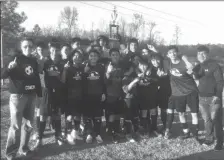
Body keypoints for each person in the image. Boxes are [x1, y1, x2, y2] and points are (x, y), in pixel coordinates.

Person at [1, 37, 42, 160]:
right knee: (16, 126)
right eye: (25, 46)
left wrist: (39, 95)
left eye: (30, 46)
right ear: (21, 47)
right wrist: (9, 68)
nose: (28, 48)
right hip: (18, 97)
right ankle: (11, 153)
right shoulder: (15, 58)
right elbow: (2, 75)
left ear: (33, 47)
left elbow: (36, 78)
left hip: (31, 96)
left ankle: (24, 148)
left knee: (28, 124)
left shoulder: (34, 61)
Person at [164, 45, 200, 142]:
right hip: (178, 93)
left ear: (177, 53)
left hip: (191, 91)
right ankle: (186, 132)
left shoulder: (185, 62)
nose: (172, 54)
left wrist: (191, 69)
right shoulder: (167, 63)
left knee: (194, 114)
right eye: (170, 52)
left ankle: (196, 134)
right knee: (181, 113)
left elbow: (195, 75)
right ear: (168, 55)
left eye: (174, 52)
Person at [193, 45, 223, 151]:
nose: (201, 55)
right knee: (207, 120)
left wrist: (217, 95)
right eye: (199, 53)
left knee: (216, 120)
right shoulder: (197, 66)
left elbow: (220, 82)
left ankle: (220, 142)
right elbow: (195, 76)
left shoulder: (214, 65)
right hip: (202, 98)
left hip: (214, 98)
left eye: (203, 53)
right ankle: (209, 138)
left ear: (208, 54)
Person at [43, 42, 65, 146]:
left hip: (59, 91)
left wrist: (57, 75)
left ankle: (58, 134)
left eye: (56, 50)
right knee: (44, 113)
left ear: (59, 51)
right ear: (49, 51)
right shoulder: (45, 62)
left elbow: (63, 79)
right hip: (47, 91)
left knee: (57, 113)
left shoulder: (62, 64)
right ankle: (39, 135)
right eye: (52, 50)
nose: (54, 52)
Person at [62, 49, 85, 145]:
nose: (77, 58)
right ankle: (68, 135)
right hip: (69, 96)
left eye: (79, 56)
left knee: (78, 116)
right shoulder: (68, 68)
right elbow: (63, 81)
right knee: (69, 117)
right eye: (75, 56)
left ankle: (75, 133)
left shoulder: (82, 68)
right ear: (72, 57)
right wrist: (64, 70)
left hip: (80, 96)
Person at [83, 49, 106, 144]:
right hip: (87, 95)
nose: (93, 57)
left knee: (97, 115)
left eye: (95, 56)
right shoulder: (85, 66)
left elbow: (103, 81)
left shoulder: (101, 67)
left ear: (98, 57)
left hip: (98, 94)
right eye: (91, 55)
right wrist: (84, 72)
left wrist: (104, 93)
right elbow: (81, 82)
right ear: (88, 57)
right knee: (88, 115)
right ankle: (89, 133)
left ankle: (97, 133)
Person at [105, 48, 125, 143]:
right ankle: (111, 131)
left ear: (119, 56)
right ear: (110, 56)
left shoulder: (122, 66)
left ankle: (116, 130)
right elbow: (105, 81)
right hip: (110, 93)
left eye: (116, 54)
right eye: (113, 54)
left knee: (117, 114)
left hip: (120, 92)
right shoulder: (107, 66)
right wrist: (108, 72)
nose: (115, 56)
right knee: (111, 114)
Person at [150, 54, 171, 134]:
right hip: (153, 92)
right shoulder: (150, 69)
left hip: (164, 92)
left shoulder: (165, 67)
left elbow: (166, 59)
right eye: (153, 60)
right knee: (153, 110)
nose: (155, 62)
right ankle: (154, 127)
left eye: (157, 60)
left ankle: (165, 127)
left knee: (163, 110)